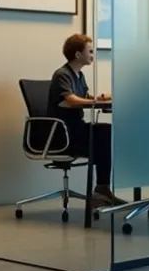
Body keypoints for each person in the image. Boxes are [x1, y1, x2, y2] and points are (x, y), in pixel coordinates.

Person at [48, 33, 125, 208]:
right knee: (103, 135)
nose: (93, 55)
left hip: (77, 128)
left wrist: (98, 98)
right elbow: (71, 100)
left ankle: (102, 189)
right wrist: (94, 101)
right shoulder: (62, 74)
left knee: (105, 131)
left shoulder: (79, 75)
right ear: (77, 55)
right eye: (90, 51)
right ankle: (101, 190)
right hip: (64, 133)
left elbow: (83, 96)